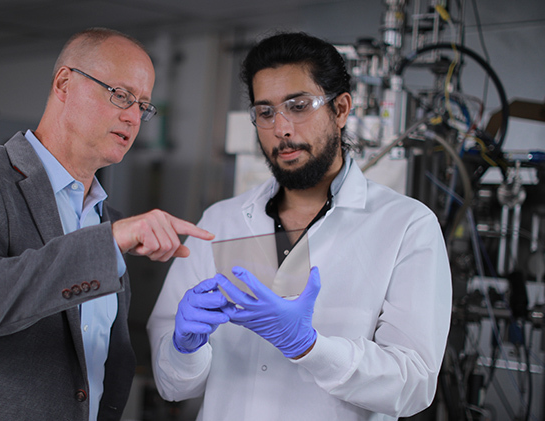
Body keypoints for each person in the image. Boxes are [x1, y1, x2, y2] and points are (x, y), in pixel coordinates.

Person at [0, 28, 213, 421]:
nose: (133, 116)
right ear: (64, 83)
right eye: (120, 95)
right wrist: (108, 244)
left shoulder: (103, 219)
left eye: (143, 106)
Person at [146, 31, 452, 420]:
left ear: (340, 109)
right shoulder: (221, 220)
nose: (282, 128)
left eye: (299, 105)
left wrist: (309, 347)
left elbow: (414, 385)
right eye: (266, 112)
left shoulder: (407, 226)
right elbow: (172, 386)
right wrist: (183, 348)